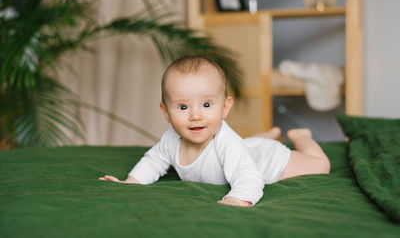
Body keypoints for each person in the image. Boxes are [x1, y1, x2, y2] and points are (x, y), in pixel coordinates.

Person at [99, 56, 331, 207]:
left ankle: (300, 137)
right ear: (166, 112)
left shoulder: (227, 142)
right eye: (182, 107)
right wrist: (131, 182)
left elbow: (249, 177)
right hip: (246, 148)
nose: (196, 115)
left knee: (321, 165)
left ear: (225, 107)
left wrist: (237, 199)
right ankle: (264, 135)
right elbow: (153, 162)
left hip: (268, 160)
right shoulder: (170, 140)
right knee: (244, 146)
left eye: (207, 105)